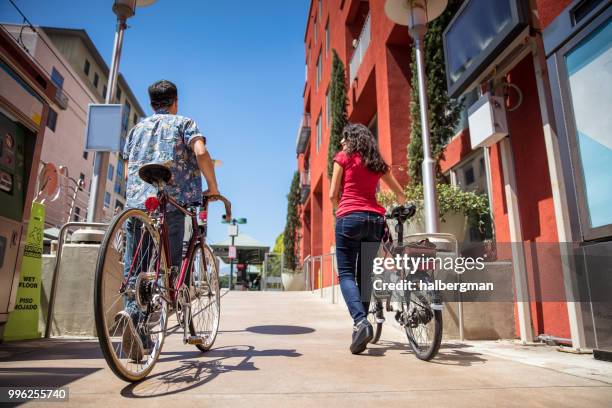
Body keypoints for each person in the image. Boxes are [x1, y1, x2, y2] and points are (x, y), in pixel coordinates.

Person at [117, 79, 220, 360]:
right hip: (171, 202)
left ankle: (134, 320)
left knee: (134, 267)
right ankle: (171, 294)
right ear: (175, 102)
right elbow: (200, 152)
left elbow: (127, 173)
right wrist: (213, 187)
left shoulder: (137, 129)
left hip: (137, 204)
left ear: (152, 104)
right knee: (171, 268)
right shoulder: (184, 123)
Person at [329, 123, 406, 354]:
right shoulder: (376, 163)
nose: (341, 142)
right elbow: (400, 193)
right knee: (364, 275)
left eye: (343, 138)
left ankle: (361, 322)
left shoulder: (343, 157)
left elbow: (333, 194)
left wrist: (339, 211)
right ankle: (359, 330)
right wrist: (402, 208)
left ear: (350, 139)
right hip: (375, 221)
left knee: (345, 273)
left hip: (349, 218)